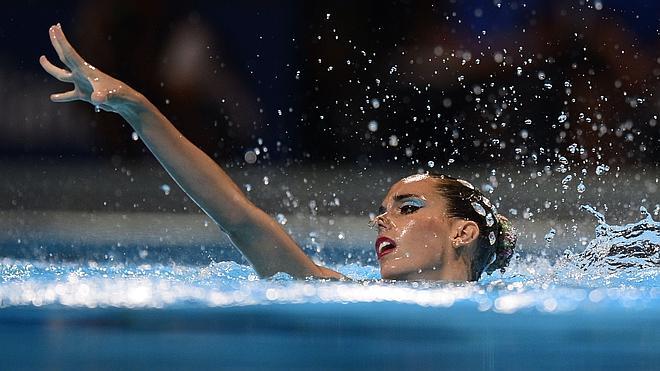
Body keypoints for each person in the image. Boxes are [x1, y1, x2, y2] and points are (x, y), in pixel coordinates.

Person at [40, 24, 516, 282]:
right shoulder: (341, 294)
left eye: (407, 208)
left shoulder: (506, 319)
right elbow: (240, 218)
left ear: (463, 231)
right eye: (381, 210)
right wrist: (135, 107)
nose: (382, 221)